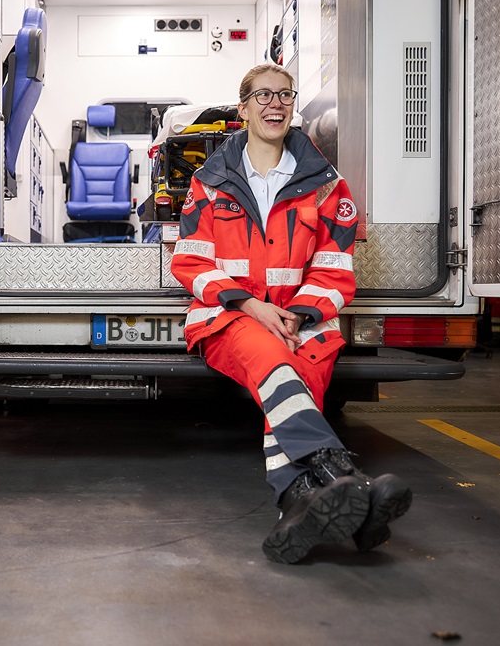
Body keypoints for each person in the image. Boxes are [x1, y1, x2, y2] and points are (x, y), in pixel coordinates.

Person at [171, 63, 411, 564]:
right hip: (231, 317)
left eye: (284, 95)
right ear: (242, 109)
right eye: (263, 95)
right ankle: (344, 475)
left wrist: (298, 314)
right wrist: (254, 306)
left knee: (293, 385)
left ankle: (300, 502)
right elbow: (191, 261)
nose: (275, 104)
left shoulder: (327, 185)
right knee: (277, 366)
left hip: (304, 323)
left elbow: (333, 268)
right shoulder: (208, 183)